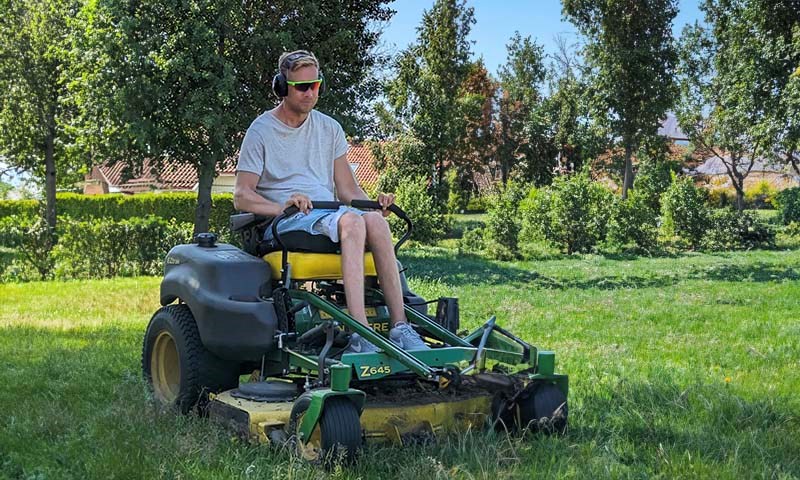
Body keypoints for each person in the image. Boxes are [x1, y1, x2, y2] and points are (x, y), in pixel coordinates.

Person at [234, 50, 428, 353]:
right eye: (302, 87)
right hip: (283, 222)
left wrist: (375, 204)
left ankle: (401, 328)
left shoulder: (330, 128)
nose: (310, 93)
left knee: (374, 221)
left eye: (315, 85)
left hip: (328, 215)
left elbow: (348, 189)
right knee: (350, 221)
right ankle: (361, 333)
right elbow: (241, 195)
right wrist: (283, 205)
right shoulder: (261, 130)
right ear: (282, 87)